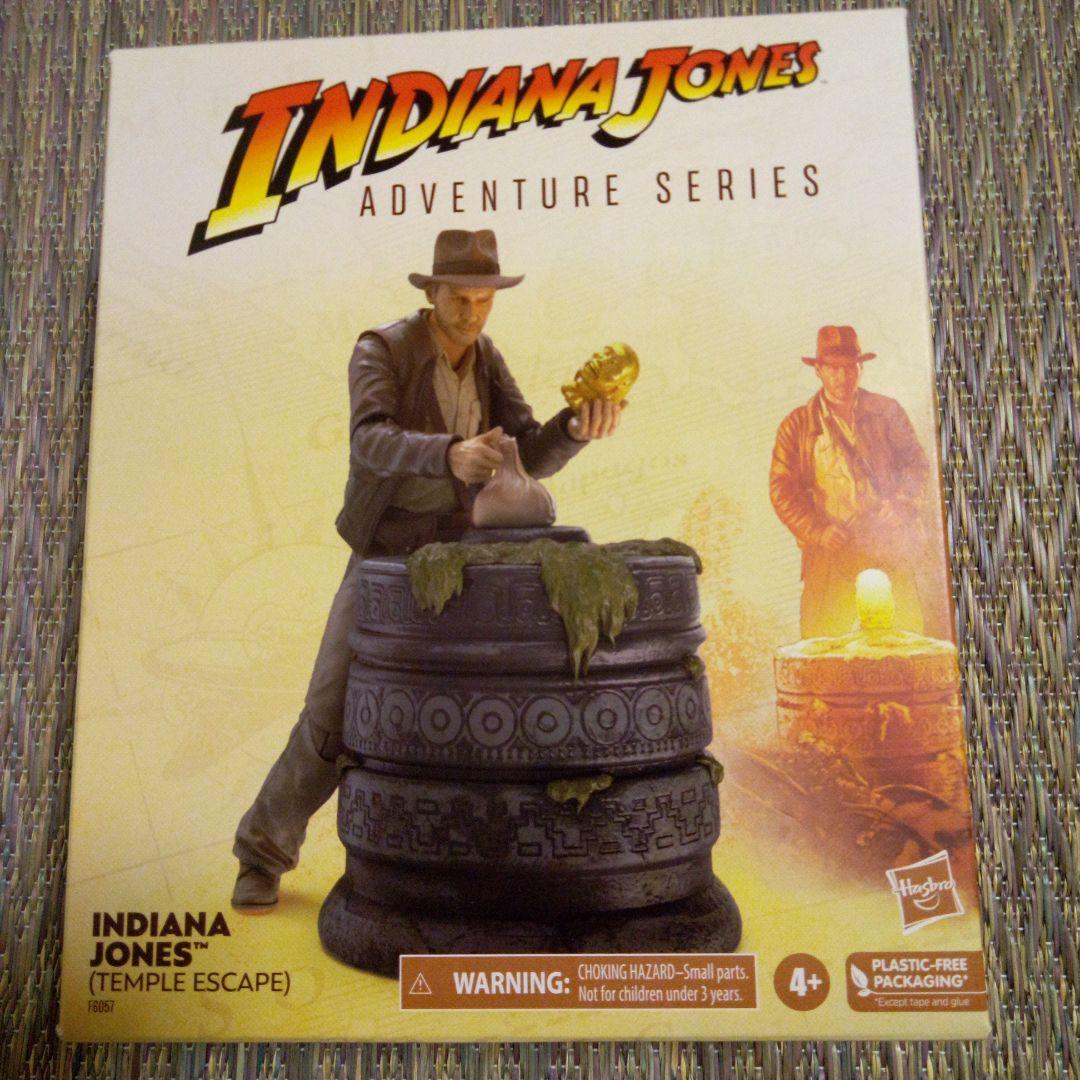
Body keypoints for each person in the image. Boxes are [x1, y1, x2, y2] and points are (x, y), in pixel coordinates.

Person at [231, 229, 623, 907]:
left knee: (482, 712)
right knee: (331, 709)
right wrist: (446, 454)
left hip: (465, 558)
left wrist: (572, 431)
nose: (472, 313)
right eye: (460, 299)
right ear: (432, 292)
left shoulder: (487, 358)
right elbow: (370, 439)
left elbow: (527, 451)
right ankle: (263, 852)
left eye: (484, 300)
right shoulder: (381, 350)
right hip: (388, 553)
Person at [769, 325, 939, 639]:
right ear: (818, 370)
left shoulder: (888, 412)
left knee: (907, 641)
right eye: (833, 369)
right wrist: (817, 531)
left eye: (850, 367)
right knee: (821, 645)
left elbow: (916, 463)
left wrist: (902, 503)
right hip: (832, 554)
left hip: (887, 546)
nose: (842, 377)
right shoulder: (797, 425)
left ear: (860, 368)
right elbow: (782, 490)